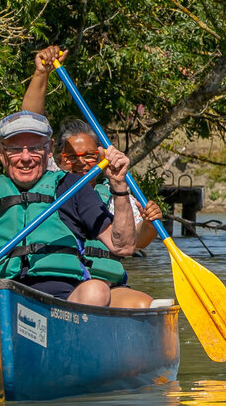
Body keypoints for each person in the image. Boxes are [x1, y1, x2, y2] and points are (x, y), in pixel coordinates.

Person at [0, 111, 139, 308]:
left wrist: (119, 186)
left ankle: (67, 337)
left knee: (97, 290)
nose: (26, 158)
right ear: (0, 151)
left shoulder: (74, 188)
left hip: (59, 302)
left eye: (34, 148)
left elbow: (122, 246)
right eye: (15, 149)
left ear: (49, 149)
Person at [53, 117, 166, 309]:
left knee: (144, 304)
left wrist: (149, 224)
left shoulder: (118, 196)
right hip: (65, 286)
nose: (81, 162)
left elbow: (137, 241)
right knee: (94, 293)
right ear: (58, 160)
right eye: (71, 156)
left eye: (89, 156)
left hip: (108, 286)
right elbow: (31, 113)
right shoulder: (47, 188)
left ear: (100, 159)